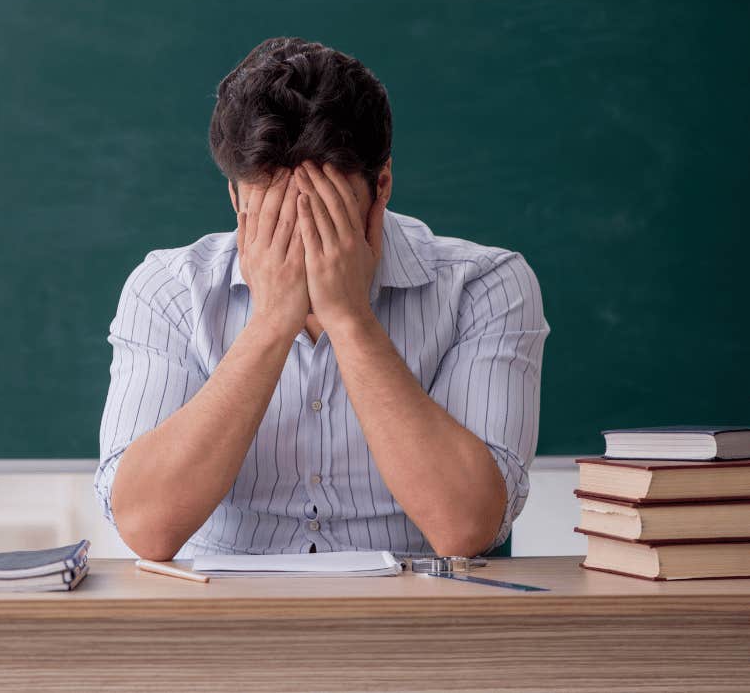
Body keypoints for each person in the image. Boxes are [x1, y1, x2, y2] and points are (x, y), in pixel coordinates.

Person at [93, 36, 551, 561]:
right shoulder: (168, 289)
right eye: (275, 218)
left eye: (325, 216)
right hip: (219, 618)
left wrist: (351, 319)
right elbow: (146, 529)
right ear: (235, 200)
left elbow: (466, 528)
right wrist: (271, 322)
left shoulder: (485, 285)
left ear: (380, 188)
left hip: (421, 619)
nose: (302, 240)